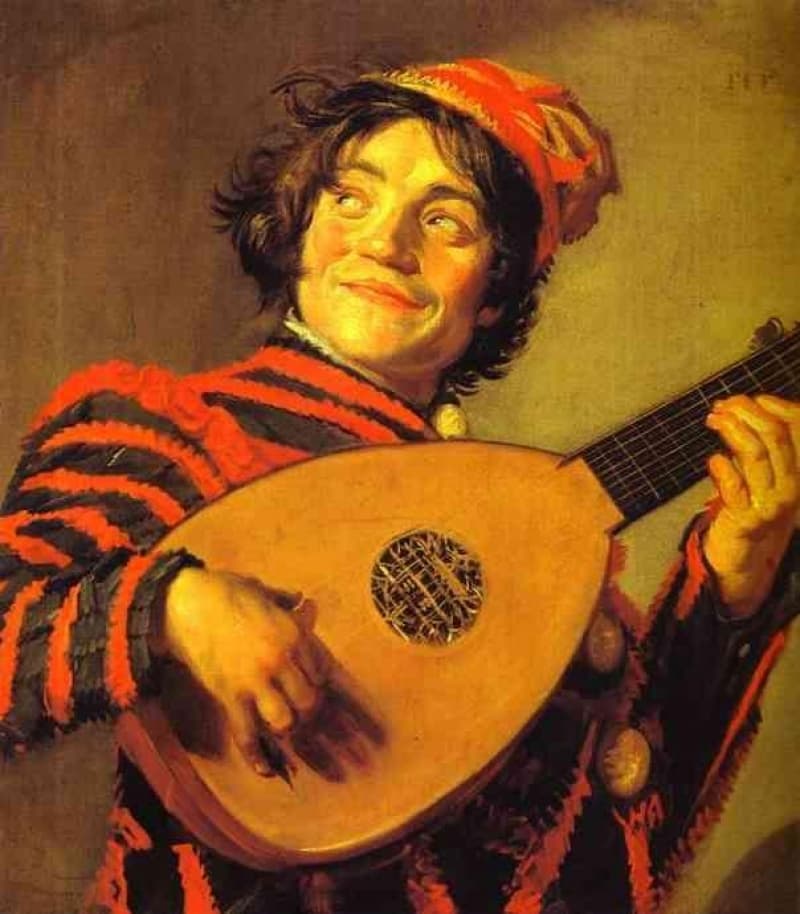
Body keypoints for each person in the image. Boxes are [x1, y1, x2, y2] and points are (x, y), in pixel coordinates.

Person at [0, 58, 797, 914]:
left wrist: (730, 589)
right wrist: (171, 607)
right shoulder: (167, 435)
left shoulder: (521, 541)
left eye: (446, 219)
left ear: (494, 293)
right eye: (351, 197)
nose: (385, 243)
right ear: (300, 224)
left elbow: (620, 863)